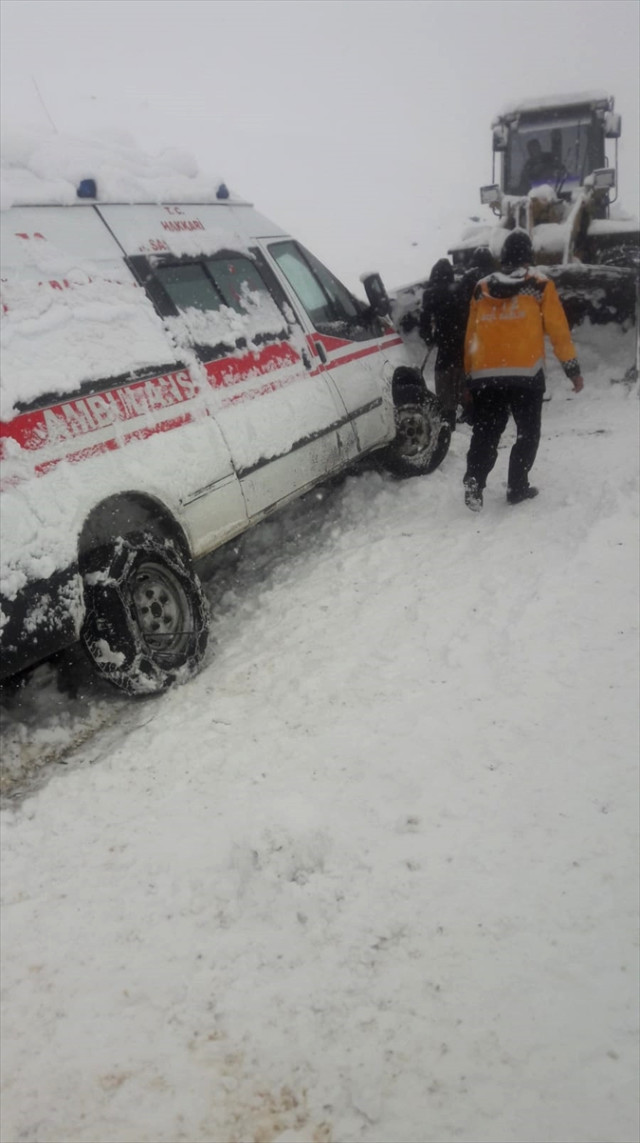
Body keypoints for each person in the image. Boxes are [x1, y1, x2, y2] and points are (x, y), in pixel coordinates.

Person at [462, 229, 584, 512]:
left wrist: (469, 377)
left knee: (486, 433)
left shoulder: (481, 288)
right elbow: (558, 331)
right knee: (527, 433)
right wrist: (572, 369)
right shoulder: (540, 285)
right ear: (528, 258)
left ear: (503, 257)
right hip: (526, 375)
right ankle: (517, 486)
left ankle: (474, 480)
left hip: (485, 376)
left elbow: (470, 336)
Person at [419, 258, 467, 430]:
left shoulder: (431, 294)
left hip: (444, 342)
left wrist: (428, 338)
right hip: (463, 341)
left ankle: (448, 417)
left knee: (444, 378)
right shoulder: (460, 290)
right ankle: (470, 408)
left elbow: (424, 320)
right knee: (462, 375)